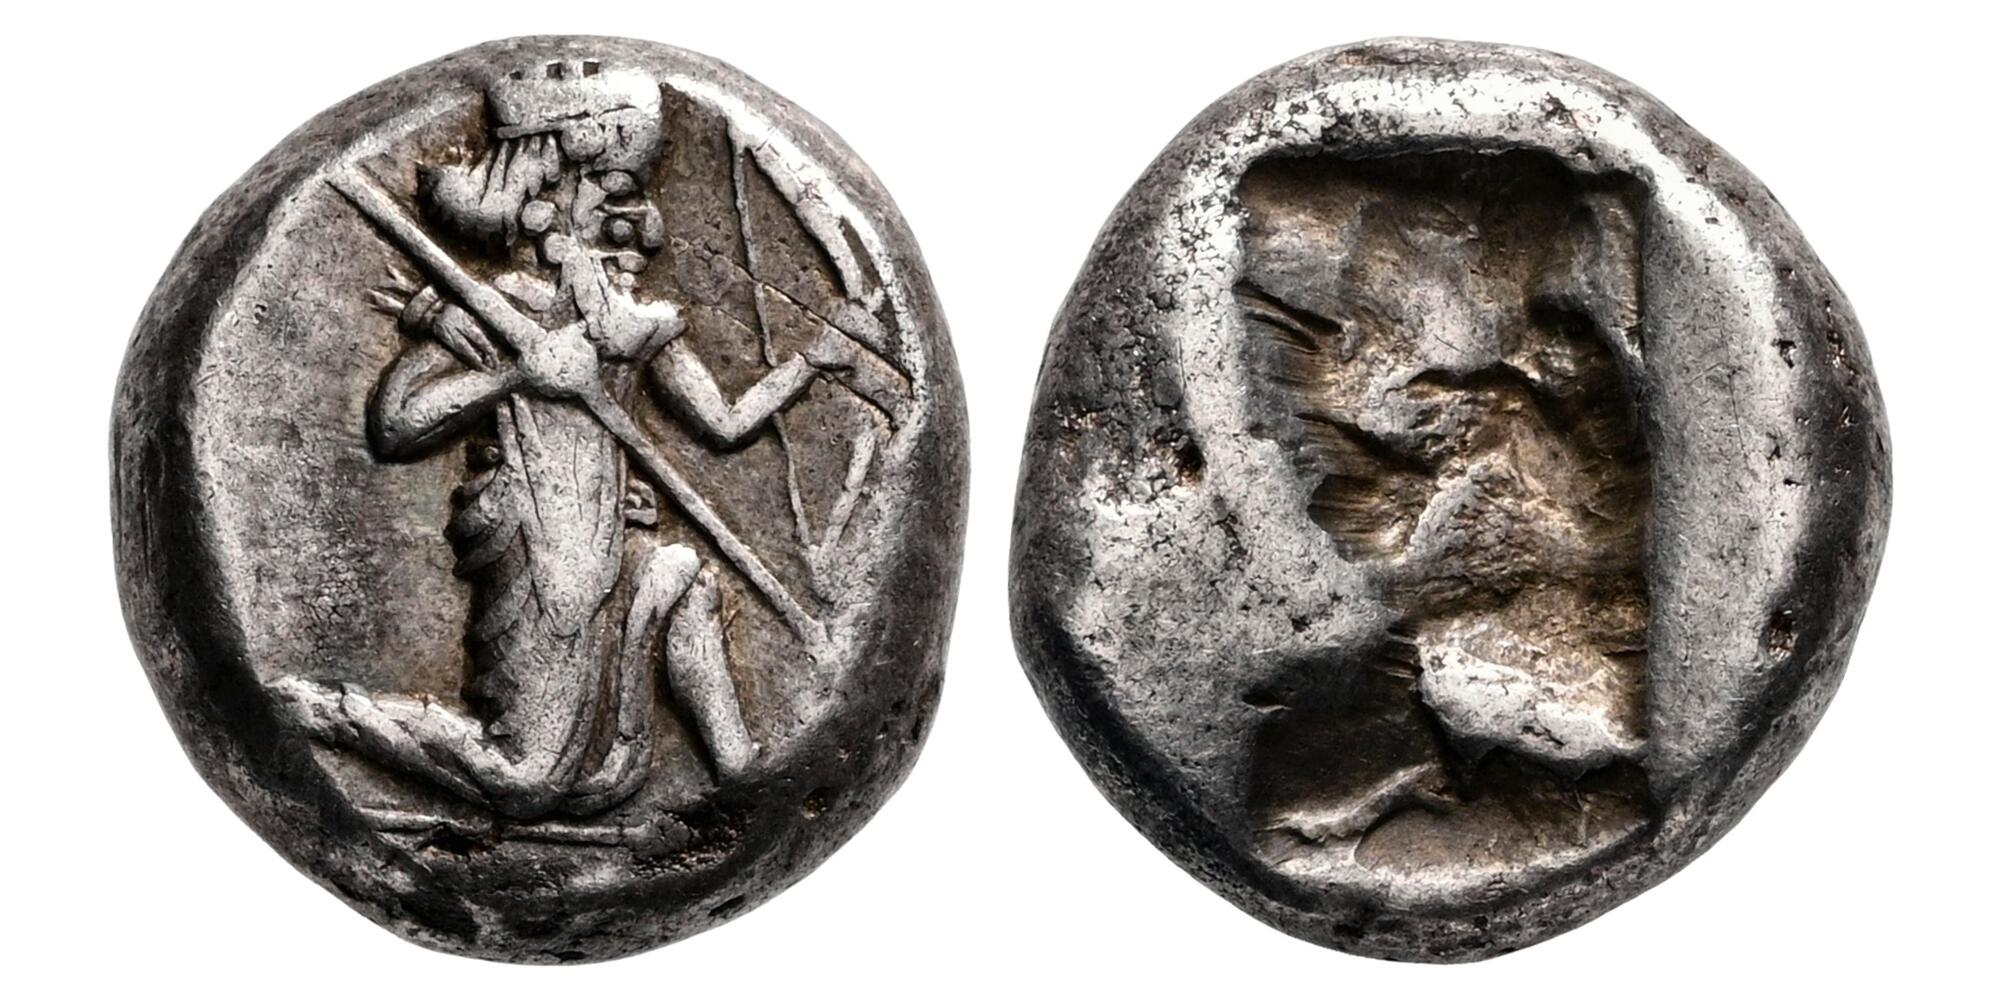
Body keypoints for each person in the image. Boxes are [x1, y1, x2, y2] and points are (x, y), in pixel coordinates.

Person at [270, 60, 847, 820]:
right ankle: (326, 714)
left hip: (609, 536)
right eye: (614, 190)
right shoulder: (497, 308)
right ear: (553, 202)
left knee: (678, 577)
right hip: (535, 538)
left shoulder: (636, 324)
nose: (641, 220)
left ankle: (745, 784)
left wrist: (810, 364)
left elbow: (725, 424)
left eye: (637, 194)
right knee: (529, 782)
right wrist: (516, 375)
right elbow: (397, 424)